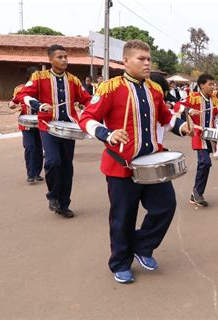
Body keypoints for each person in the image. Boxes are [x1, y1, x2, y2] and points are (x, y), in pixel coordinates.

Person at [79, 40, 191, 284]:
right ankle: (120, 262)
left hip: (152, 164)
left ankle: (141, 246)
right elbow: (86, 117)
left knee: (165, 207)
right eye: (141, 59)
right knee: (123, 217)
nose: (147, 62)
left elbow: (165, 116)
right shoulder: (110, 88)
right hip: (121, 166)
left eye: (149, 58)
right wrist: (107, 134)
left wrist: (182, 126)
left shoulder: (155, 89)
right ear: (126, 61)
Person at [17, 44, 91, 218]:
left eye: (65, 56)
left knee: (67, 167)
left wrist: (92, 108)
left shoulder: (73, 80)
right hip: (48, 127)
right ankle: (53, 196)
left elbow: (86, 99)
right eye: (60, 57)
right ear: (50, 59)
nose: (64, 60)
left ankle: (64, 204)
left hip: (69, 128)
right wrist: (38, 104)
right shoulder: (39, 77)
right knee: (52, 162)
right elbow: (22, 94)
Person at [174, 74, 218, 207]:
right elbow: (177, 105)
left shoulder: (213, 99)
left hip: (210, 135)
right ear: (201, 85)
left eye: (214, 84)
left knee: (206, 163)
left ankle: (197, 193)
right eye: (210, 84)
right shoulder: (194, 97)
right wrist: (189, 110)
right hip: (198, 134)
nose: (213, 87)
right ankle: (197, 192)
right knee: (205, 162)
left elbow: (216, 111)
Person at [9, 66, 44, 183]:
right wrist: (12, 105)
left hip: (41, 123)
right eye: (35, 75)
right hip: (26, 124)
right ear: (29, 76)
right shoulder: (20, 89)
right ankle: (30, 174)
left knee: (39, 149)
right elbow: (12, 102)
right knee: (30, 147)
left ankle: (37, 173)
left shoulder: (43, 89)